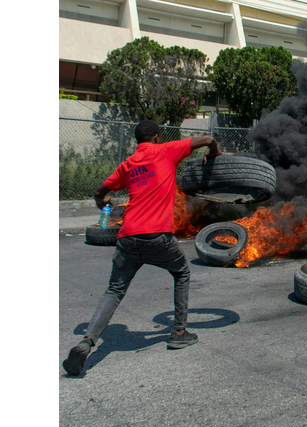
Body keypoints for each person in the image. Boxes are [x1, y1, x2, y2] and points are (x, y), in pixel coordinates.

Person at [63, 120, 222, 376]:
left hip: (127, 237)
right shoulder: (165, 150)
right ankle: (179, 332)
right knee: (181, 273)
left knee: (114, 290)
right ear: (158, 137)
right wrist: (215, 154)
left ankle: (87, 342)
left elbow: (99, 190)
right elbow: (206, 139)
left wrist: (101, 201)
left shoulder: (129, 164)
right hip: (157, 235)